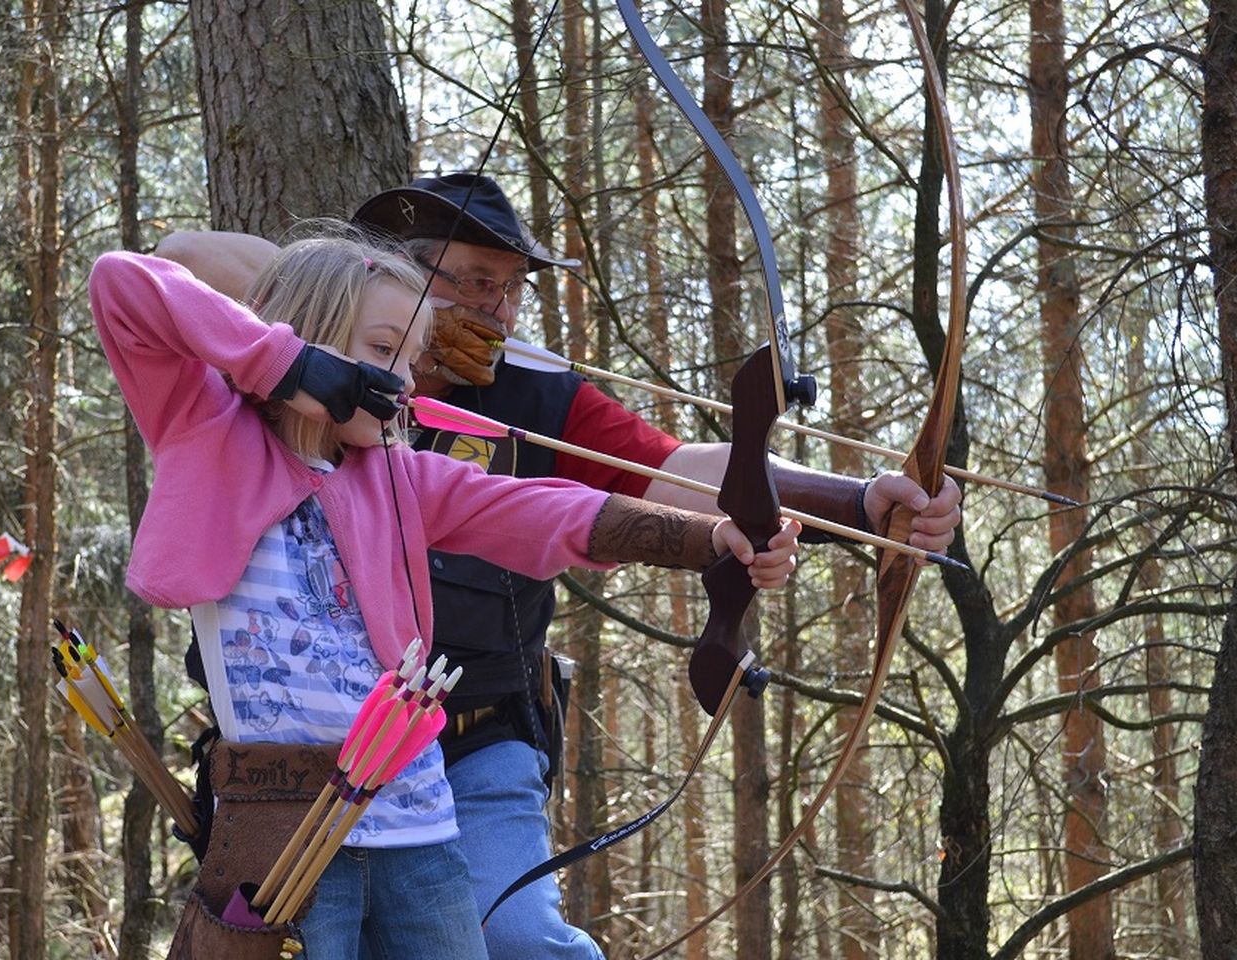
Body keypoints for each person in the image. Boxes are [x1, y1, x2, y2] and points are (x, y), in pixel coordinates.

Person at [156, 174, 962, 960]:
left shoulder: (540, 394)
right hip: (294, 770)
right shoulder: (270, 375)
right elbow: (181, 253)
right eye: (474, 283)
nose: (497, 311)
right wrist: (348, 313)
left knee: (514, 937)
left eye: (510, 291)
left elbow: (679, 470)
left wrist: (860, 507)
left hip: (470, 743)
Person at [92, 232, 801, 960]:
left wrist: (712, 538)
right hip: (283, 832)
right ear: (308, 335)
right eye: (381, 349)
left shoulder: (402, 475)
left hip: (417, 823)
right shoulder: (205, 428)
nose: (402, 379)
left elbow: (547, 511)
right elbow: (121, 284)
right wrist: (291, 366)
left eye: (411, 357)